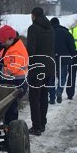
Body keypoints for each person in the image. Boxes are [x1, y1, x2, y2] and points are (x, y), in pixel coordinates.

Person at [26, 7, 55, 135]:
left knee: (34, 97)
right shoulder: (50, 28)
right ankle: (42, 123)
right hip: (49, 66)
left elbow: (31, 50)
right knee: (44, 95)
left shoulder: (33, 29)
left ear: (33, 15)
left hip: (37, 67)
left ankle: (36, 127)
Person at [0, 25, 28, 124]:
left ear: (11, 38)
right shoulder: (9, 47)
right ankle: (8, 126)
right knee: (8, 107)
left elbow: (11, 69)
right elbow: (2, 56)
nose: (3, 44)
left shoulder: (16, 50)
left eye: (4, 41)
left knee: (11, 107)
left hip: (16, 82)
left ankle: (11, 128)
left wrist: (2, 71)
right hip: (10, 81)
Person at [48, 17, 75, 104]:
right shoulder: (66, 32)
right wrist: (72, 55)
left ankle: (52, 98)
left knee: (51, 78)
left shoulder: (48, 33)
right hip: (64, 58)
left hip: (51, 58)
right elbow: (72, 45)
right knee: (62, 77)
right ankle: (59, 91)